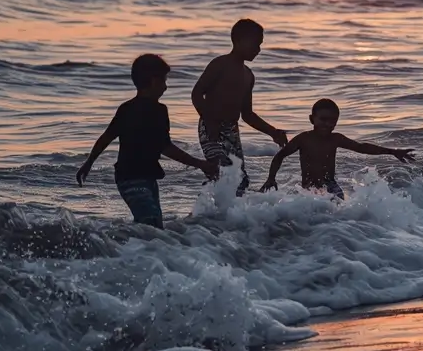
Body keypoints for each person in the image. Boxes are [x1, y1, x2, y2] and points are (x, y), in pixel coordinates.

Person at [76, 53, 216, 228]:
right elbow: (165, 147)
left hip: (134, 177)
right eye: (164, 81)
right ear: (153, 81)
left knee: (152, 224)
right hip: (134, 178)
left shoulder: (126, 108)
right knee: (151, 223)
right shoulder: (158, 111)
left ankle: (127, 250)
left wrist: (89, 162)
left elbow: (106, 137)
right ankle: (129, 251)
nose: (166, 87)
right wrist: (200, 164)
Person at [191, 18, 288, 192]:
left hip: (232, 130)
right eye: (256, 44)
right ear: (239, 40)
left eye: (260, 45)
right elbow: (197, 93)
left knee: (240, 180)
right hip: (210, 127)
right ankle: (205, 211)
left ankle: (228, 215)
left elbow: (247, 114)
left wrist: (272, 131)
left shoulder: (248, 75)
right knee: (221, 171)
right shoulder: (220, 64)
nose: (258, 49)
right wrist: (209, 120)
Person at [260, 98, 415, 198]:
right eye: (323, 119)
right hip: (308, 188)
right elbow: (280, 156)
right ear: (311, 119)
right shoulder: (303, 139)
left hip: (331, 186)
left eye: (333, 120)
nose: (328, 124)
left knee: (337, 215)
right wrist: (271, 178)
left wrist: (392, 152)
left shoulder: (336, 139)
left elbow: (361, 147)